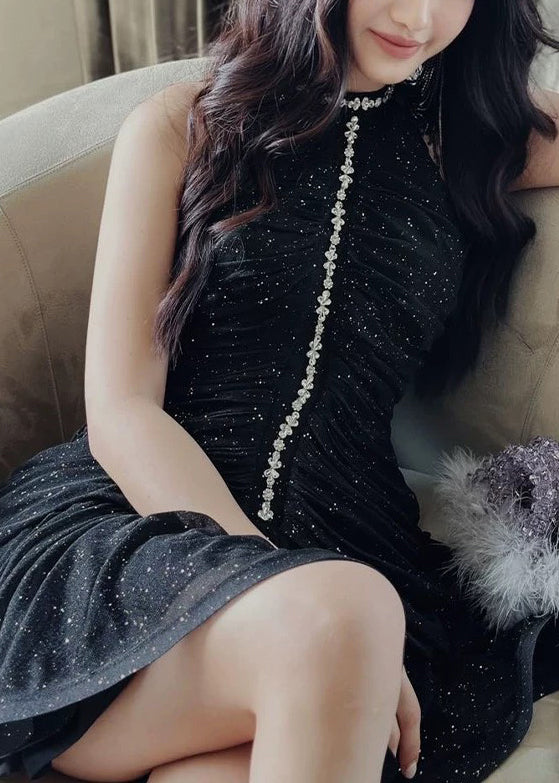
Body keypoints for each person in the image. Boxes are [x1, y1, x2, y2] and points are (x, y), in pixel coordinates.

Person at [1, 0, 559, 781]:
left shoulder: (467, 139)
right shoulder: (183, 127)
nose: (416, 15)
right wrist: (277, 581)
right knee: (346, 615)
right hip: (131, 540)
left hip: (352, 549)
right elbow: (122, 409)